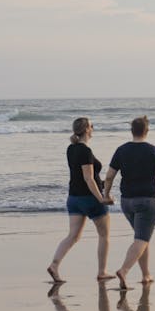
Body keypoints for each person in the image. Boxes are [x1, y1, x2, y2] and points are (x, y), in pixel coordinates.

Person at [103, 115, 155, 290]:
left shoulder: (121, 150)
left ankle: (146, 274)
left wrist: (106, 195)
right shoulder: (153, 151)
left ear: (132, 131)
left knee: (141, 238)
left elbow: (109, 176)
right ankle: (124, 270)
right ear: (147, 131)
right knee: (141, 238)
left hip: (126, 202)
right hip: (147, 202)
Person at [47, 116, 113, 284]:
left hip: (74, 198)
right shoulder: (85, 151)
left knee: (73, 236)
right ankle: (102, 272)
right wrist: (102, 198)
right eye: (92, 125)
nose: (93, 128)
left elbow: (81, 175)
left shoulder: (71, 148)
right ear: (87, 130)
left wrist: (103, 184)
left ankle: (54, 264)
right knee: (104, 235)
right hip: (90, 199)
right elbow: (88, 178)